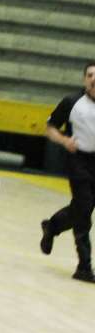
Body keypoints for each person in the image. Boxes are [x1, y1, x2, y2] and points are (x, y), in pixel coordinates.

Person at [39, 61, 95, 283]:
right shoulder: (72, 102)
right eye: (90, 75)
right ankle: (84, 266)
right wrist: (64, 140)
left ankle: (51, 226)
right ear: (84, 79)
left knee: (82, 208)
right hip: (78, 161)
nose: (94, 79)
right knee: (83, 212)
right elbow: (50, 128)